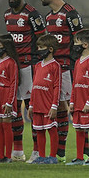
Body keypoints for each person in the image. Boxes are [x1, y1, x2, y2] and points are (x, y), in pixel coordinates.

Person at [38, 0, 84, 163]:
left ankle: (84, 152)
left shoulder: (70, 13)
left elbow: (80, 41)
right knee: (59, 110)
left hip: (66, 69)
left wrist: (73, 64)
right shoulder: (48, 17)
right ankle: (60, 152)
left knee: (71, 108)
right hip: (52, 70)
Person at [3, 0, 46, 163]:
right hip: (13, 68)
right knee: (14, 110)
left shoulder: (32, 14)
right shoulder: (6, 15)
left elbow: (43, 39)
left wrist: (38, 64)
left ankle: (36, 151)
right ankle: (18, 151)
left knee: (32, 108)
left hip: (29, 66)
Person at [68, 29, 89, 166]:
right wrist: (72, 101)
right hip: (78, 101)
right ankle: (80, 158)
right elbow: (75, 83)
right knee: (79, 128)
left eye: (76, 42)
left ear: (85, 45)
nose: (74, 45)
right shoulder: (77, 61)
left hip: (88, 102)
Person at [28, 35, 61, 164]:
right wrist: (31, 105)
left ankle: (52, 156)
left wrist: (54, 106)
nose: (39, 49)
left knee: (51, 129)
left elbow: (57, 87)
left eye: (42, 47)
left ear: (51, 49)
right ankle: (41, 156)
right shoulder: (37, 66)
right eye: (38, 47)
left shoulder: (55, 66)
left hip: (48, 104)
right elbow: (34, 85)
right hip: (37, 103)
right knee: (39, 130)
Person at [0, 34, 19, 163]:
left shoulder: (11, 63)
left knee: (6, 125)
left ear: (6, 47)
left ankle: (7, 156)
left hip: (6, 94)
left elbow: (13, 83)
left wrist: (9, 101)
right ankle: (0, 155)